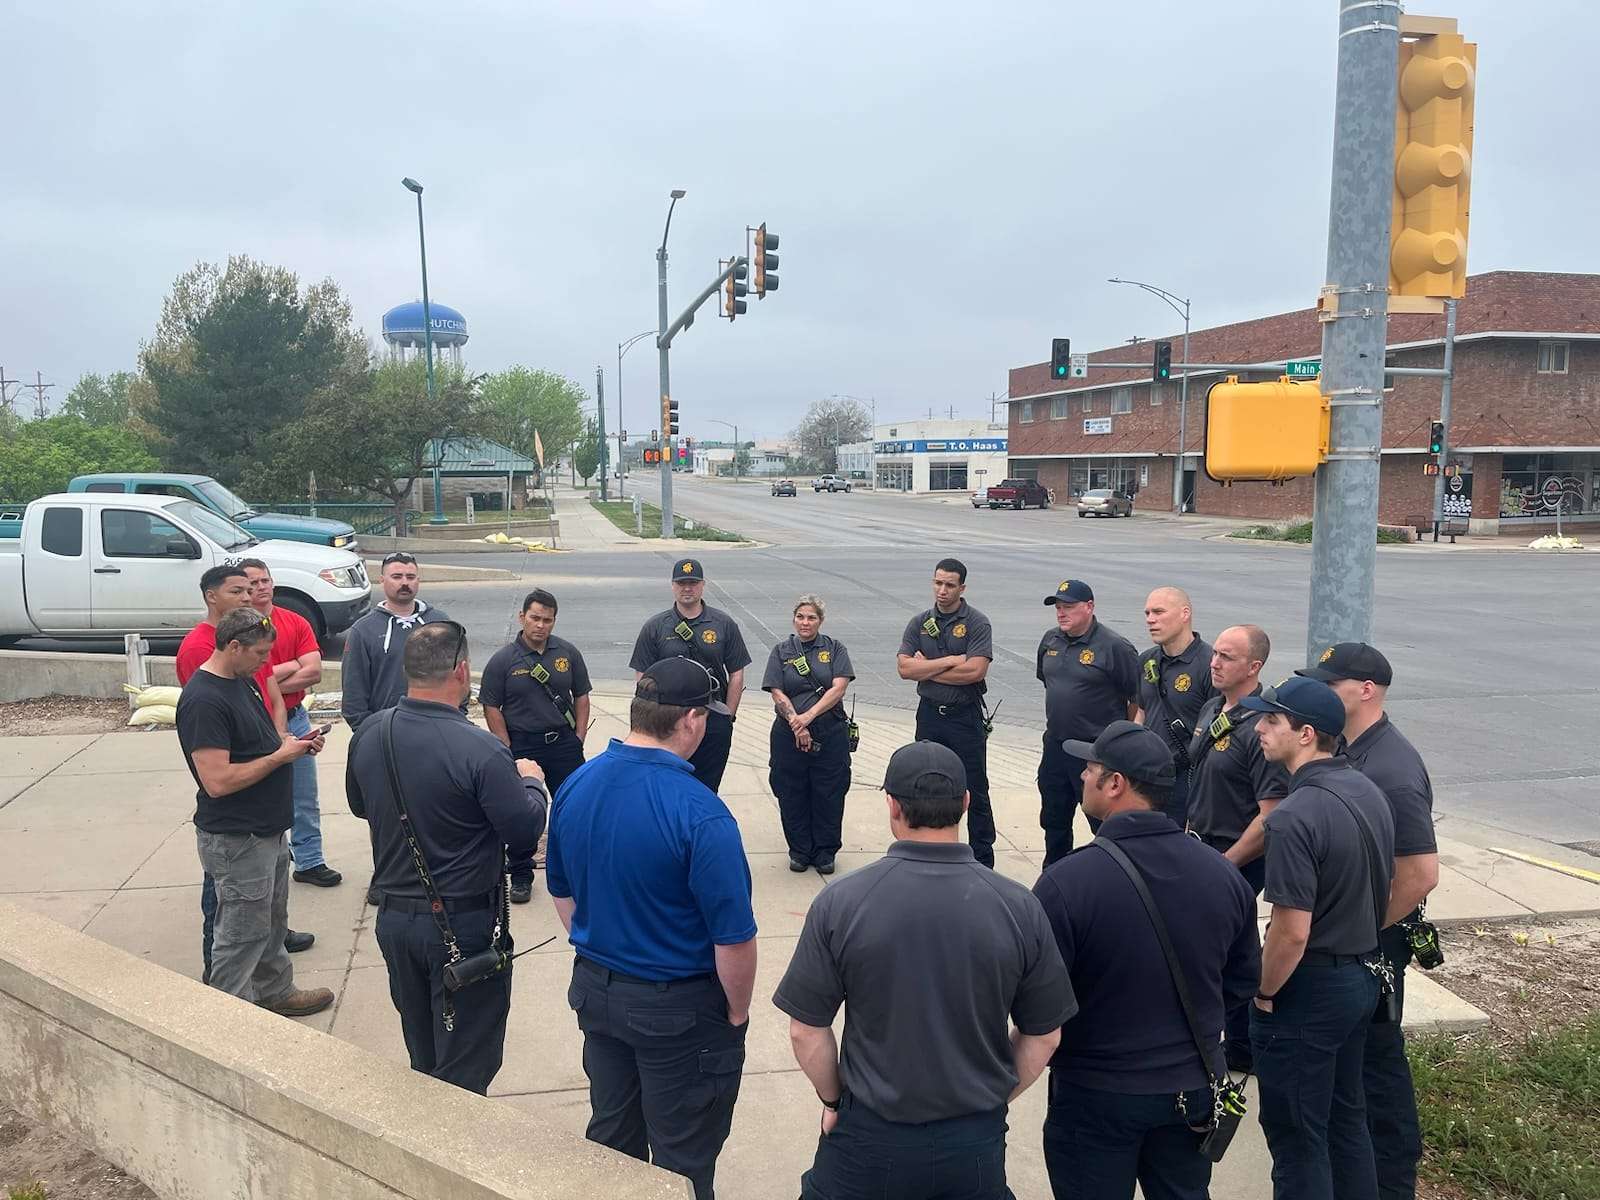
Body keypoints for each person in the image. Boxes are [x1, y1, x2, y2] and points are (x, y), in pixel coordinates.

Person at [775, 741, 1073, 1200]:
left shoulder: (843, 903)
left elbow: (805, 1030)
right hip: (973, 1144)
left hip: (869, 1137)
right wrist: (990, 1102)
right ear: (966, 804)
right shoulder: (1019, 907)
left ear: (892, 805)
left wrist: (834, 1101)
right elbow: (1045, 1035)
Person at [548, 657, 758, 1200]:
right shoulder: (701, 813)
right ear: (690, 720)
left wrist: (603, 948)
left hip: (596, 992)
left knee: (612, 1145)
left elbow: (562, 893)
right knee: (682, 1161)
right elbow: (733, 939)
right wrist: (735, 1012)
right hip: (677, 1014)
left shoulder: (577, 783)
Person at [1032, 721, 1259, 1200]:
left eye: (1090, 768)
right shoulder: (1223, 876)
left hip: (1097, 1093)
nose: (1081, 777)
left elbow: (1036, 1000)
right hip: (1192, 1090)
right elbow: (1242, 982)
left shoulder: (1067, 883)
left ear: (1115, 784)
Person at [346, 621, 549, 1095]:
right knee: (465, 1065)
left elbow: (361, 806)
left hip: (395, 919)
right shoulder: (481, 749)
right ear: (462, 670)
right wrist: (531, 782)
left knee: (424, 1050)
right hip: (462, 924)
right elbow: (522, 832)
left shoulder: (371, 733)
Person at [1244, 677, 1396, 1200]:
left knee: (1298, 1138)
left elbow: (1290, 930)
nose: (1260, 729)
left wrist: (1264, 992)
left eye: (1271, 721)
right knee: (1345, 1121)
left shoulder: (1293, 816)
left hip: (1309, 991)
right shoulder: (1367, 790)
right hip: (1361, 978)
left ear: (1306, 734)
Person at [1298, 643, 1439, 1200]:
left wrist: (1361, 929)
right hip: (1355, 938)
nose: (1320, 693)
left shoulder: (1392, 768)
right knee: (1352, 1064)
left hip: (1376, 943)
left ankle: (1392, 1183)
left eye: (1330, 685)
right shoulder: (1352, 748)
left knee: (1378, 1064)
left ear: (1366, 691)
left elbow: (1420, 874)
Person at [176, 607, 334, 1017]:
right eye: (261, 653)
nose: (268, 663)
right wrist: (280, 757)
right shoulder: (205, 700)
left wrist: (291, 744)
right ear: (233, 646)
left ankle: (275, 992)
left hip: (265, 831)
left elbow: (260, 742)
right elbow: (218, 781)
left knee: (270, 922)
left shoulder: (241, 681)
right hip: (237, 839)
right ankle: (230, 1021)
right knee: (240, 934)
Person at [1185, 623, 1290, 1071]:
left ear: (1254, 666)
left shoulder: (1260, 727)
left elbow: (1270, 815)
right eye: (1215, 654)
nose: (1215, 661)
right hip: (1201, 847)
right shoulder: (1211, 707)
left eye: (1227, 657)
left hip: (1236, 857)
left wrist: (1226, 865)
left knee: (1231, 953)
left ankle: (1242, 1046)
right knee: (1206, 947)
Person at [341, 551, 455, 905]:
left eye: (410, 576)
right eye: (396, 576)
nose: (404, 582)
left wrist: (454, 720)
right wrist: (369, 737)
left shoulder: (439, 622)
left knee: (437, 810)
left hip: (435, 737)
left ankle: (436, 875)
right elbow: (355, 695)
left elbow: (457, 673)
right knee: (387, 817)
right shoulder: (364, 631)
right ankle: (387, 878)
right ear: (383, 581)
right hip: (386, 742)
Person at [480, 588, 592, 903]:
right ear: (522, 617)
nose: (540, 625)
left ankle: (575, 870)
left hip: (564, 744)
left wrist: (579, 737)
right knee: (522, 813)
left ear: (554, 621)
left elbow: (581, 695)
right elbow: (491, 706)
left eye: (547, 620)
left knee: (575, 808)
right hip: (522, 745)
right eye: (535, 618)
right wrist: (506, 747)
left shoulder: (567, 653)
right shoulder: (503, 660)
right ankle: (521, 875)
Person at [240, 559, 341, 888]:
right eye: (252, 583)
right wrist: (286, 669)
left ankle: (310, 861)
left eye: (265, 580)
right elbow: (240, 680)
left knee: (303, 794)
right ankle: (266, 865)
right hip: (252, 725)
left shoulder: (295, 622)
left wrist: (264, 680)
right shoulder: (235, 630)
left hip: (295, 719)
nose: (260, 587)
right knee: (258, 797)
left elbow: (313, 671)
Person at [896, 557, 996, 867]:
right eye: (938, 583)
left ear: (961, 588)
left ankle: (982, 858)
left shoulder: (978, 623)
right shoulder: (919, 622)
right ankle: (924, 850)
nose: (942, 590)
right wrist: (950, 660)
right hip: (929, 715)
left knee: (975, 788)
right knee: (924, 783)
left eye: (949, 585)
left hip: (964, 717)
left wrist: (924, 667)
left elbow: (975, 672)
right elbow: (903, 668)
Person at [1035, 579, 1140, 865]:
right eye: (1058, 608)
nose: (1061, 613)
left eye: (1068, 607)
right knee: (1054, 819)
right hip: (1056, 746)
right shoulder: (1050, 641)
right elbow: (1051, 683)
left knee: (1103, 823)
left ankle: (1111, 875)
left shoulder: (1114, 647)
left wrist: (1121, 745)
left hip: (1096, 752)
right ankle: (1054, 874)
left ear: (1090, 607)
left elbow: (1136, 699)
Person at [628, 559, 751, 794]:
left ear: (703, 585)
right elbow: (643, 678)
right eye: (682, 583)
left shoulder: (723, 624)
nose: (687, 588)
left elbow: (736, 673)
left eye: (693, 583)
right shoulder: (656, 627)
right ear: (673, 586)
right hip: (668, 720)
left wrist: (728, 717)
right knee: (667, 786)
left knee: (706, 788)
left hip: (713, 717)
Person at [762, 594, 855, 875]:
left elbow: (838, 688)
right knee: (791, 791)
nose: (805, 622)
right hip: (788, 734)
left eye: (811, 617)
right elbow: (776, 690)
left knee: (829, 791)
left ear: (820, 621)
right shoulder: (781, 651)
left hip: (830, 732)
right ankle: (800, 850)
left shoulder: (835, 649)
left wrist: (807, 718)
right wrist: (795, 724)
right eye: (801, 617)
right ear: (794, 619)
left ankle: (826, 852)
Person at [1133, 586, 1217, 829]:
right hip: (1147, 776)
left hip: (1187, 778)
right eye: (1147, 613)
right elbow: (1141, 711)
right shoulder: (1147, 660)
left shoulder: (1209, 664)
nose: (1150, 619)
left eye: (1159, 612)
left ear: (1185, 613)